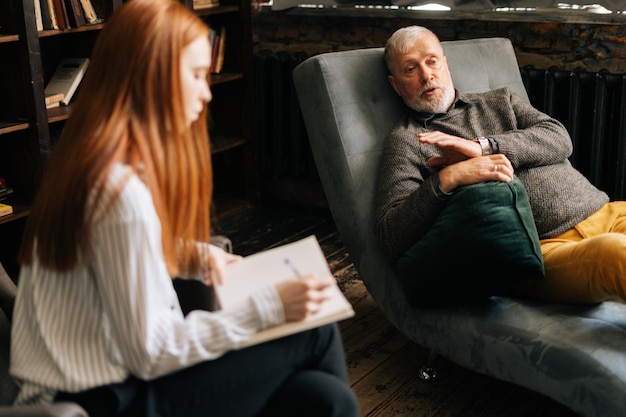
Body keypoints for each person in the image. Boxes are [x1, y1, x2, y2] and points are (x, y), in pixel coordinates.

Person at [9, 1, 359, 417]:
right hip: (101, 398)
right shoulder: (120, 193)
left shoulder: (93, 164)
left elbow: (108, 256)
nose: (207, 92)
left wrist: (191, 254)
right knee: (313, 330)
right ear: (149, 77)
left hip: (99, 381)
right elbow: (151, 352)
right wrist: (269, 307)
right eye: (195, 75)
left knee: (325, 397)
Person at [375, 25, 626, 305]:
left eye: (432, 61)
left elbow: (559, 138)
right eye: (410, 69)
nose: (426, 75)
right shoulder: (407, 141)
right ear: (395, 84)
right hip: (548, 249)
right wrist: (447, 178)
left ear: (444, 63)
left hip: (606, 212)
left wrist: (485, 146)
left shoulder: (499, 100)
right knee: (616, 255)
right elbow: (390, 233)